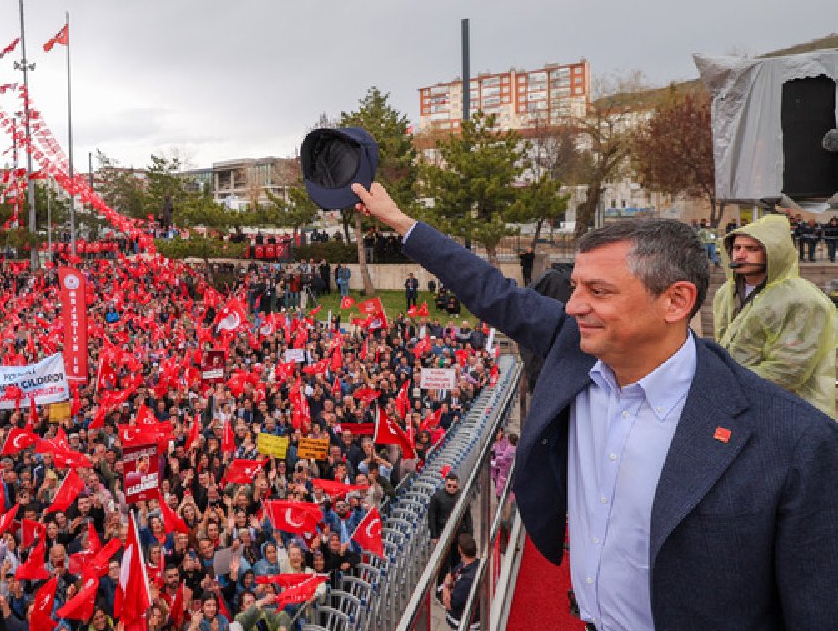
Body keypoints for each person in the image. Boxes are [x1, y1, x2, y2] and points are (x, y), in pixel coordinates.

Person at [352, 181, 838, 631]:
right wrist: (400, 222)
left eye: (598, 291)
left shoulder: (795, 440)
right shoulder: (572, 346)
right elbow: (489, 290)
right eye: (576, 287)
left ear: (676, 301)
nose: (572, 306)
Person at [712, 214, 837, 418]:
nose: (740, 255)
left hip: (790, 412)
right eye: (736, 248)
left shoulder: (803, 299)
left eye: (752, 249)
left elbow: (789, 371)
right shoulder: (726, 292)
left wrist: (728, 381)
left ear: (774, 253)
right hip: (739, 406)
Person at [438, 534, 479, 631]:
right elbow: (450, 576)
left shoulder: (467, 580)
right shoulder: (469, 564)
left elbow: (448, 604)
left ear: (460, 550)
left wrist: (446, 587)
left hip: (464, 624)